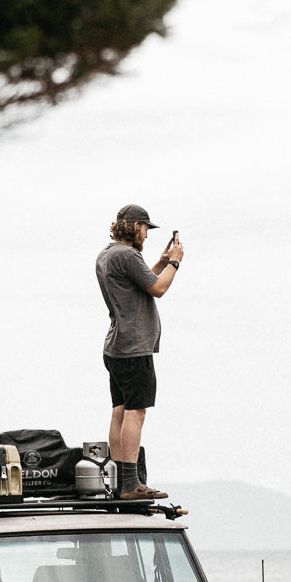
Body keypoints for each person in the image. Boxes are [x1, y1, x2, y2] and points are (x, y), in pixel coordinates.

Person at [96, 203, 184, 500]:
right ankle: (132, 484)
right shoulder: (128, 255)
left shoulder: (107, 255)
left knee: (119, 411)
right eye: (146, 228)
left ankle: (121, 482)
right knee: (136, 412)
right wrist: (174, 263)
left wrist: (159, 263)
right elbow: (158, 289)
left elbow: (143, 283)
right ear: (135, 226)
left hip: (116, 346)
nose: (147, 235)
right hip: (135, 348)